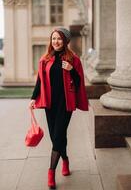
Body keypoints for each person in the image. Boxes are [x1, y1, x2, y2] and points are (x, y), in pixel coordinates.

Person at [29, 28, 89, 189]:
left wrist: (72, 71)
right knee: (57, 137)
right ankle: (65, 160)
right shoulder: (45, 59)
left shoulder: (73, 59)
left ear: (65, 41)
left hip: (66, 104)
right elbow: (40, 81)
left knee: (58, 136)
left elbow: (79, 83)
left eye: (59, 38)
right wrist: (33, 98)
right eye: (53, 38)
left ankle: (51, 172)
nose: (56, 41)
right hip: (50, 105)